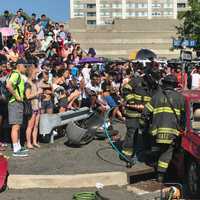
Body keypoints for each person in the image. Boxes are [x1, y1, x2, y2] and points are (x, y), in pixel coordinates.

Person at [143, 75, 185, 182]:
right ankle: (161, 175)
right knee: (166, 153)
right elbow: (185, 117)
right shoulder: (180, 98)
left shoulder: (156, 96)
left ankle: (154, 165)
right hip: (172, 133)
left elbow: (145, 113)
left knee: (157, 150)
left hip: (156, 132)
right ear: (175, 85)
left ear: (164, 83)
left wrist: (144, 126)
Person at [6, 58, 28, 157]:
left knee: (18, 126)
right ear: (19, 65)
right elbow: (8, 85)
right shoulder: (16, 74)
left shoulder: (17, 75)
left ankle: (18, 146)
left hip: (16, 103)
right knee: (15, 126)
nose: (26, 68)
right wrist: (17, 97)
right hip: (15, 103)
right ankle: (15, 149)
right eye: (25, 66)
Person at [25, 64, 41, 149]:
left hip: (37, 106)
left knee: (36, 125)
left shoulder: (35, 82)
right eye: (35, 74)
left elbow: (39, 70)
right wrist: (37, 93)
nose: (36, 75)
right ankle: (28, 143)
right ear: (31, 73)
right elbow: (27, 96)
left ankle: (34, 141)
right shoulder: (28, 83)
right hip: (31, 106)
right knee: (30, 126)